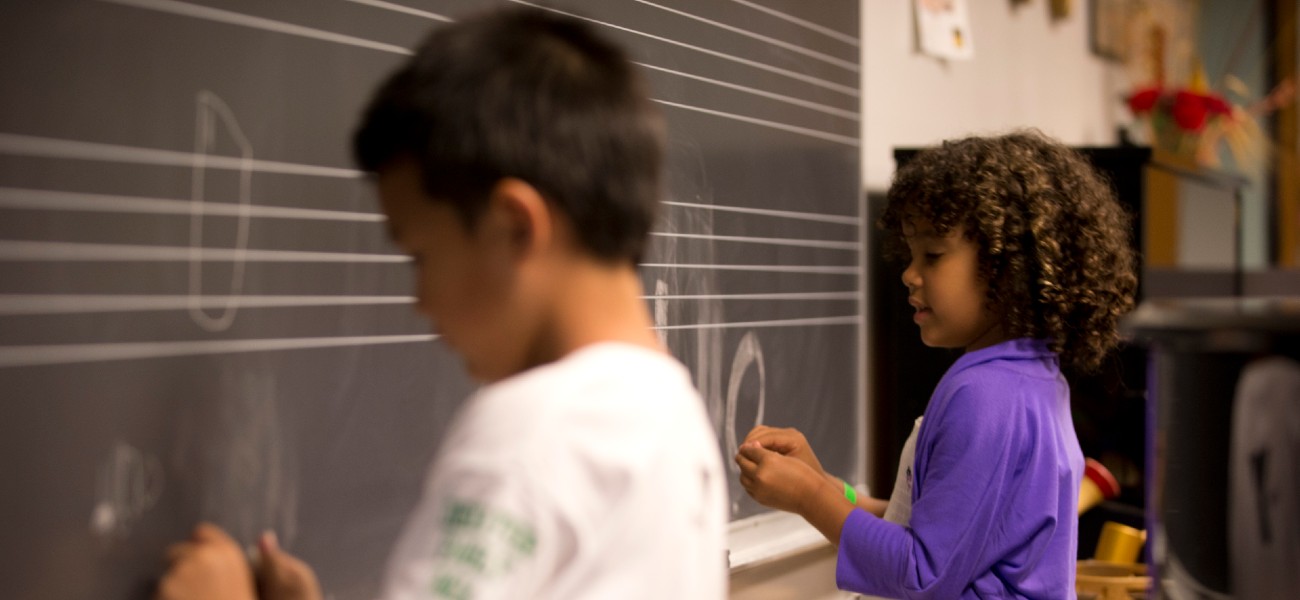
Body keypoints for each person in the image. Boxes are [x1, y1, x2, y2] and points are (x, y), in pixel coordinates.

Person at [156, 7, 728, 600]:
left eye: (422, 256)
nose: (419, 302)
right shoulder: (672, 410)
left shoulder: (530, 434)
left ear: (513, 228)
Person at [735, 131, 1137, 599]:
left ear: (1007, 266)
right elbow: (945, 531)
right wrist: (828, 487)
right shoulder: (1032, 378)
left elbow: (922, 573)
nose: (909, 273)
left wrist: (809, 497)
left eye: (934, 255)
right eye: (909, 254)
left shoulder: (986, 394)